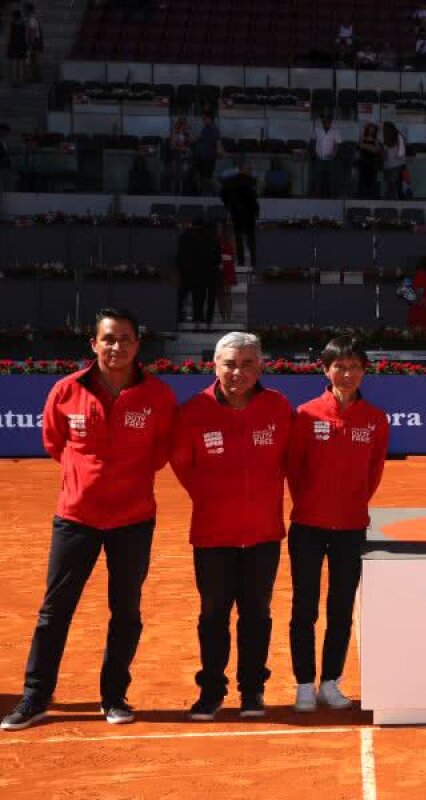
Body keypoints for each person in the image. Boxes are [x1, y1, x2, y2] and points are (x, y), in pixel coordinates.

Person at [1, 310, 176, 732]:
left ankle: (114, 696)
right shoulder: (66, 390)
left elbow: (161, 450)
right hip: (76, 517)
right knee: (54, 611)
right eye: (109, 339)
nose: (117, 347)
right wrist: (86, 482)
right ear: (94, 344)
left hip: (133, 519)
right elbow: (54, 442)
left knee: (126, 611)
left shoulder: (158, 395)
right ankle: (35, 697)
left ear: (137, 345)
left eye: (126, 339)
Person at [171, 333, 292, 721]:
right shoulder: (194, 411)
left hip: (263, 533)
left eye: (246, 364)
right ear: (215, 366)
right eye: (230, 364)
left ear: (260, 367)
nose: (238, 372)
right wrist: (212, 498)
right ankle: (211, 691)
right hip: (213, 534)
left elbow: (290, 460)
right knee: (213, 616)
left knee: (257, 614)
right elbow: (183, 465)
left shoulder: (278, 407)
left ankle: (252, 690)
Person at [286, 337, 388, 712]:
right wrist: (314, 503)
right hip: (308, 527)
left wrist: (351, 505)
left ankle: (330, 683)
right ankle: (303, 684)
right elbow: (294, 469)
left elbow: (373, 472)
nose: (347, 374)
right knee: (304, 609)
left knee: (341, 609)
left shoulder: (375, 419)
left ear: (364, 371)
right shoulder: (306, 414)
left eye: (355, 367)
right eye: (339, 367)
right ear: (326, 370)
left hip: (350, 527)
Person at [220, 161, 259, 269]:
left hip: (236, 212)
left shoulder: (229, 181)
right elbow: (253, 198)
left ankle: (241, 261)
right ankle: (253, 261)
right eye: (249, 169)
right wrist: (256, 210)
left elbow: (223, 194)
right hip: (248, 212)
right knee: (250, 237)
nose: (251, 171)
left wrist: (229, 205)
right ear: (242, 169)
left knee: (239, 237)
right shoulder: (251, 181)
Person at [311, 114, 342, 199]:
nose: (326, 123)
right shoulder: (317, 130)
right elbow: (313, 141)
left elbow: (337, 145)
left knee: (331, 178)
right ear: (322, 122)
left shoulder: (335, 131)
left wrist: (333, 154)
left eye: (328, 122)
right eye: (324, 122)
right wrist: (314, 151)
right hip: (319, 158)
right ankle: (317, 195)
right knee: (317, 178)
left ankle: (332, 196)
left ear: (330, 122)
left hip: (330, 159)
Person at [357, 122, 382, 198]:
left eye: (373, 129)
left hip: (372, 161)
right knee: (363, 177)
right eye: (370, 128)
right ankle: (362, 194)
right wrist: (370, 147)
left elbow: (377, 150)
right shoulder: (363, 137)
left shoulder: (376, 139)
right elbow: (360, 145)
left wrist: (367, 147)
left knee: (372, 178)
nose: (371, 130)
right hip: (363, 160)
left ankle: (371, 194)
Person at [217, 224, 236, 323]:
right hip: (223, 268)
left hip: (225, 268)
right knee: (223, 294)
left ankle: (226, 317)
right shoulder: (218, 239)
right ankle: (225, 317)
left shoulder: (230, 239)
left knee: (224, 294)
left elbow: (234, 256)